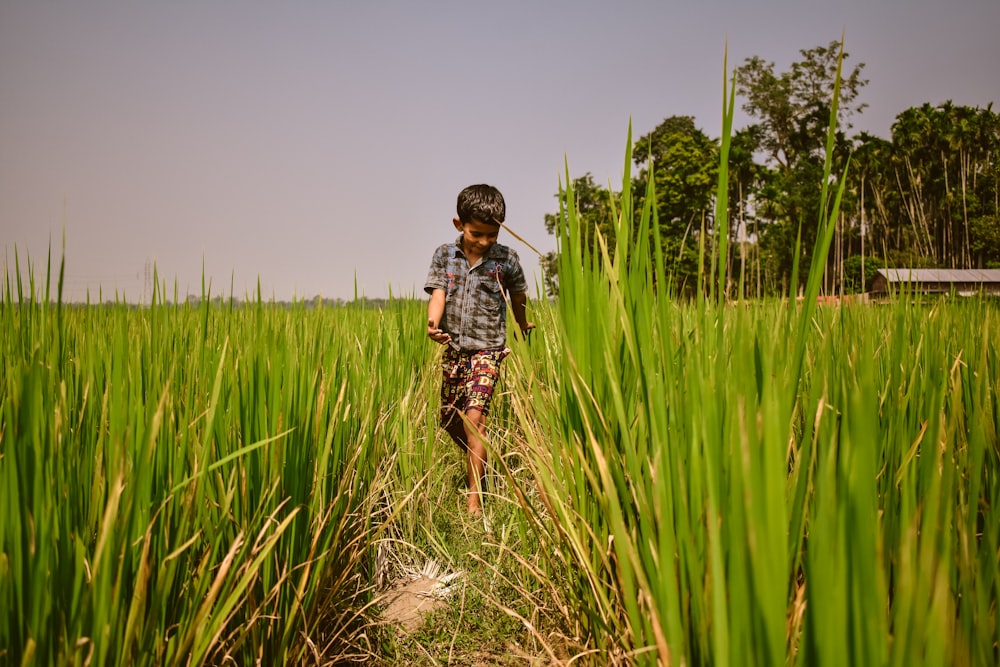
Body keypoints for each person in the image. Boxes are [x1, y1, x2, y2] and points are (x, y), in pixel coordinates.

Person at [424, 184, 535, 515]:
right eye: (477, 233)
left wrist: (521, 323)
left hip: (488, 350)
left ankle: (475, 500)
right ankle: (481, 456)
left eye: (493, 234)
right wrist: (433, 323)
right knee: (450, 419)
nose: (485, 241)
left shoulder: (506, 260)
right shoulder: (445, 255)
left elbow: (518, 296)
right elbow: (438, 293)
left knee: (475, 419)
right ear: (459, 224)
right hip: (455, 350)